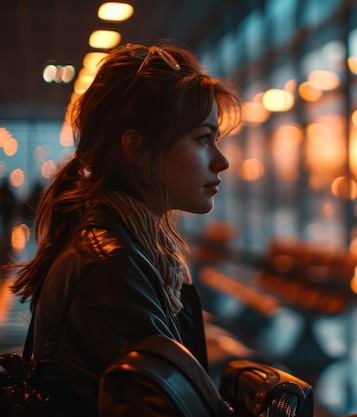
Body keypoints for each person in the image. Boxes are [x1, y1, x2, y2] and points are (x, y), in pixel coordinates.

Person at [8, 40, 240, 416]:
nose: (221, 161)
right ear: (136, 149)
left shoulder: (124, 252)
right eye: (202, 139)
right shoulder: (111, 271)